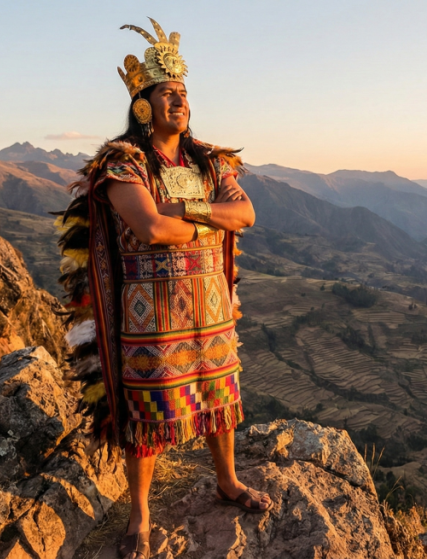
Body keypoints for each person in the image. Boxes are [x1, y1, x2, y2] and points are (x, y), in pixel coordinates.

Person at [55, 18, 270, 559]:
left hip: (211, 307)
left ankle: (227, 480)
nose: (180, 99)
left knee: (220, 399)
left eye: (184, 92)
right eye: (167, 92)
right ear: (143, 105)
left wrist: (187, 211)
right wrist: (206, 220)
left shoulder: (209, 161)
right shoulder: (122, 163)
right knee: (148, 417)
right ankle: (140, 517)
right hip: (150, 314)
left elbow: (245, 212)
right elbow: (150, 229)